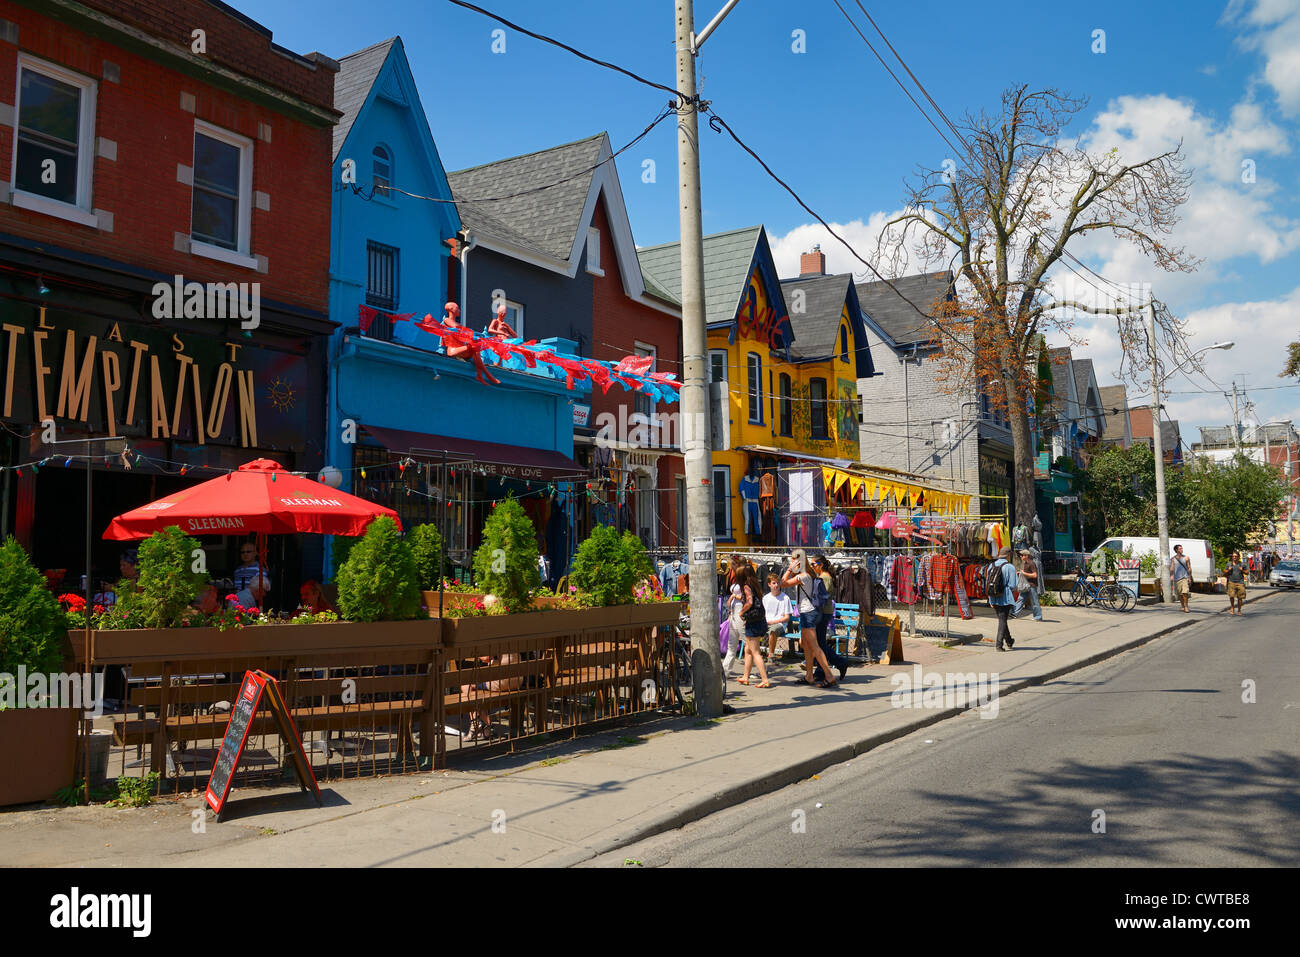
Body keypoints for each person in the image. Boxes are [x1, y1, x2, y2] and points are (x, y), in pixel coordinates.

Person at [781, 548, 837, 688]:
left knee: (815, 647)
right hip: (809, 613)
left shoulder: (804, 576)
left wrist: (789, 569)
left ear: (799, 561)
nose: (792, 563)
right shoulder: (808, 574)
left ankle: (829, 676)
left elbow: (782, 583)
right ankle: (809, 676)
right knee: (806, 645)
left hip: (808, 613)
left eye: (793, 560)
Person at [810, 554, 848, 684]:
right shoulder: (822, 577)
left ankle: (825, 669)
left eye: (813, 564)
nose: (812, 567)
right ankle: (836, 664)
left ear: (820, 565)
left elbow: (821, 597)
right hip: (823, 612)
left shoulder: (824, 578)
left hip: (823, 612)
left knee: (820, 643)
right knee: (820, 643)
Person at [736, 568, 771, 688]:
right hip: (760, 620)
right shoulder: (755, 584)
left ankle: (765, 679)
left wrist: (741, 612)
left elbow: (749, 602)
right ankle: (745, 676)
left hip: (752, 622)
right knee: (748, 650)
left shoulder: (746, 586)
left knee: (755, 652)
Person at [989, 546, 1017, 651]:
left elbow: (988, 583)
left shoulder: (991, 565)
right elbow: (1013, 585)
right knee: (1002, 620)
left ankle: (1009, 641)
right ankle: (998, 645)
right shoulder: (1010, 567)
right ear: (1008, 555)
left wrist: (990, 599)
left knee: (1002, 619)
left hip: (993, 596)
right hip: (1006, 597)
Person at [763, 574, 794, 657]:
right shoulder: (766, 598)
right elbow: (763, 614)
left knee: (773, 630)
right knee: (752, 628)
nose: (776, 585)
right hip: (766, 623)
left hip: (780, 624)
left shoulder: (785, 598)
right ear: (769, 584)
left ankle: (771, 655)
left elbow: (787, 617)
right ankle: (754, 654)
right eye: (773, 583)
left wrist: (774, 622)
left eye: (777, 583)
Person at [1012, 548, 1043, 621]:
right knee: (1021, 599)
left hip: (1032, 585)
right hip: (1026, 585)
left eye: (1022, 555)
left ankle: (1038, 617)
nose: (1020, 556)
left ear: (1026, 556)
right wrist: (1020, 573)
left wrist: (1023, 573)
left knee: (1034, 601)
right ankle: (1014, 613)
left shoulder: (1031, 563)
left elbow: (1035, 575)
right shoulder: (1025, 563)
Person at [1170, 544, 1193, 612]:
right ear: (1176, 550)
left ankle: (1186, 606)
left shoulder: (1186, 558)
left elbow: (1189, 568)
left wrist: (1189, 577)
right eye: (1180, 549)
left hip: (1185, 577)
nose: (1181, 550)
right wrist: (1171, 575)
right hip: (1177, 578)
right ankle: (1182, 605)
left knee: (1185, 592)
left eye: (1182, 548)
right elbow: (1171, 568)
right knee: (1180, 594)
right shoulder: (1173, 559)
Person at [1224, 551, 1247, 616]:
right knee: (1231, 596)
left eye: (1235, 556)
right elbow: (1224, 572)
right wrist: (1228, 570)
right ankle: (1232, 607)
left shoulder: (1242, 564)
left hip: (1240, 582)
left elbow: (1247, 572)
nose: (1234, 557)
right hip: (1231, 582)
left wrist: (1242, 570)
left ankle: (1239, 610)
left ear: (1238, 557)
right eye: (1233, 556)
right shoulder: (1229, 564)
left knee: (1240, 597)